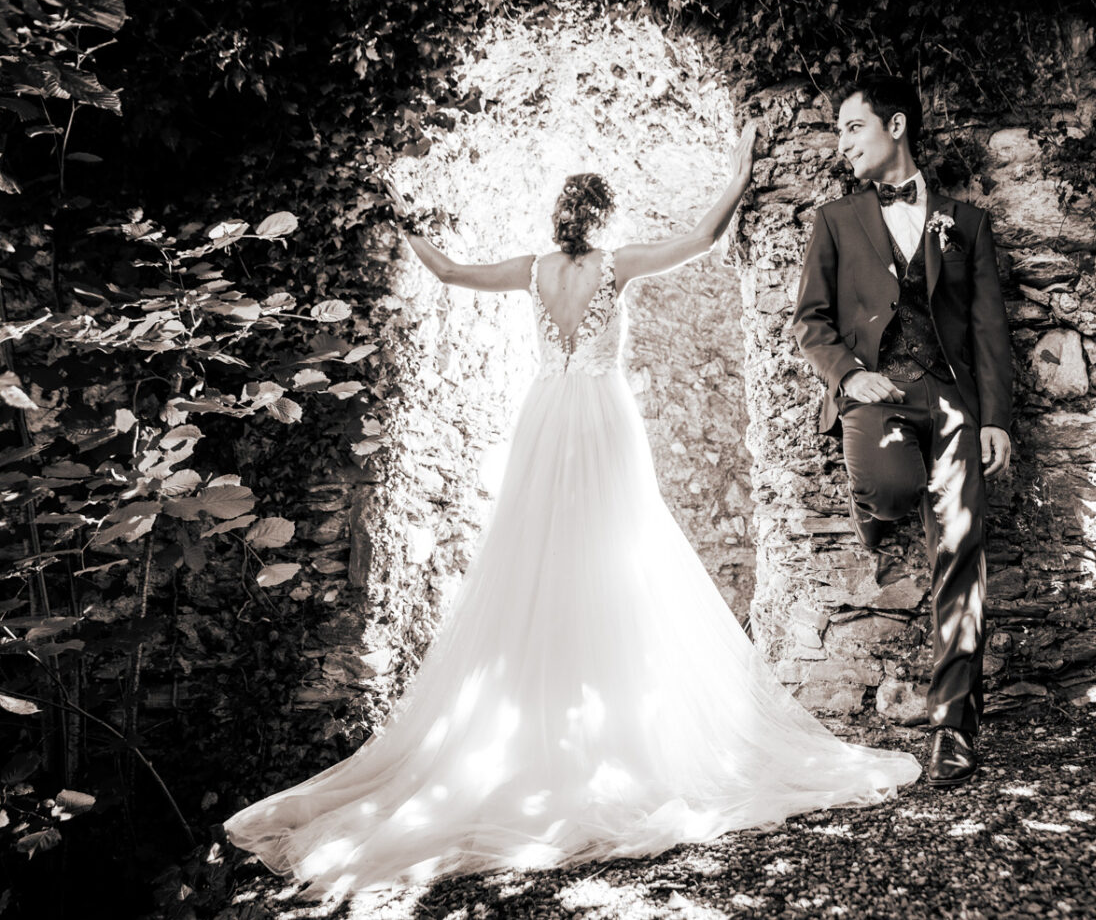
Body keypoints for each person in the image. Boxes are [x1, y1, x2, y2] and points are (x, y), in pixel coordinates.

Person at [223, 122, 920, 899]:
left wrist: (406, 224)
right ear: (603, 218)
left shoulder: (533, 269)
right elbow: (700, 236)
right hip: (600, 417)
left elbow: (450, 271)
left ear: (560, 217)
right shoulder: (615, 267)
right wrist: (739, 171)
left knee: (536, 556)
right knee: (621, 553)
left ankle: (551, 716)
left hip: (544, 417)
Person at [790, 75, 1014, 788]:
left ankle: (954, 727)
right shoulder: (835, 220)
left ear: (894, 125)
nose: (842, 143)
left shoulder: (966, 224)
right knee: (888, 489)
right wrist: (848, 377)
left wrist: (995, 420)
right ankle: (876, 511)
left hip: (950, 401)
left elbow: (987, 330)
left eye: (852, 128)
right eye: (837, 133)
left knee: (961, 547)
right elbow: (810, 322)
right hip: (875, 394)